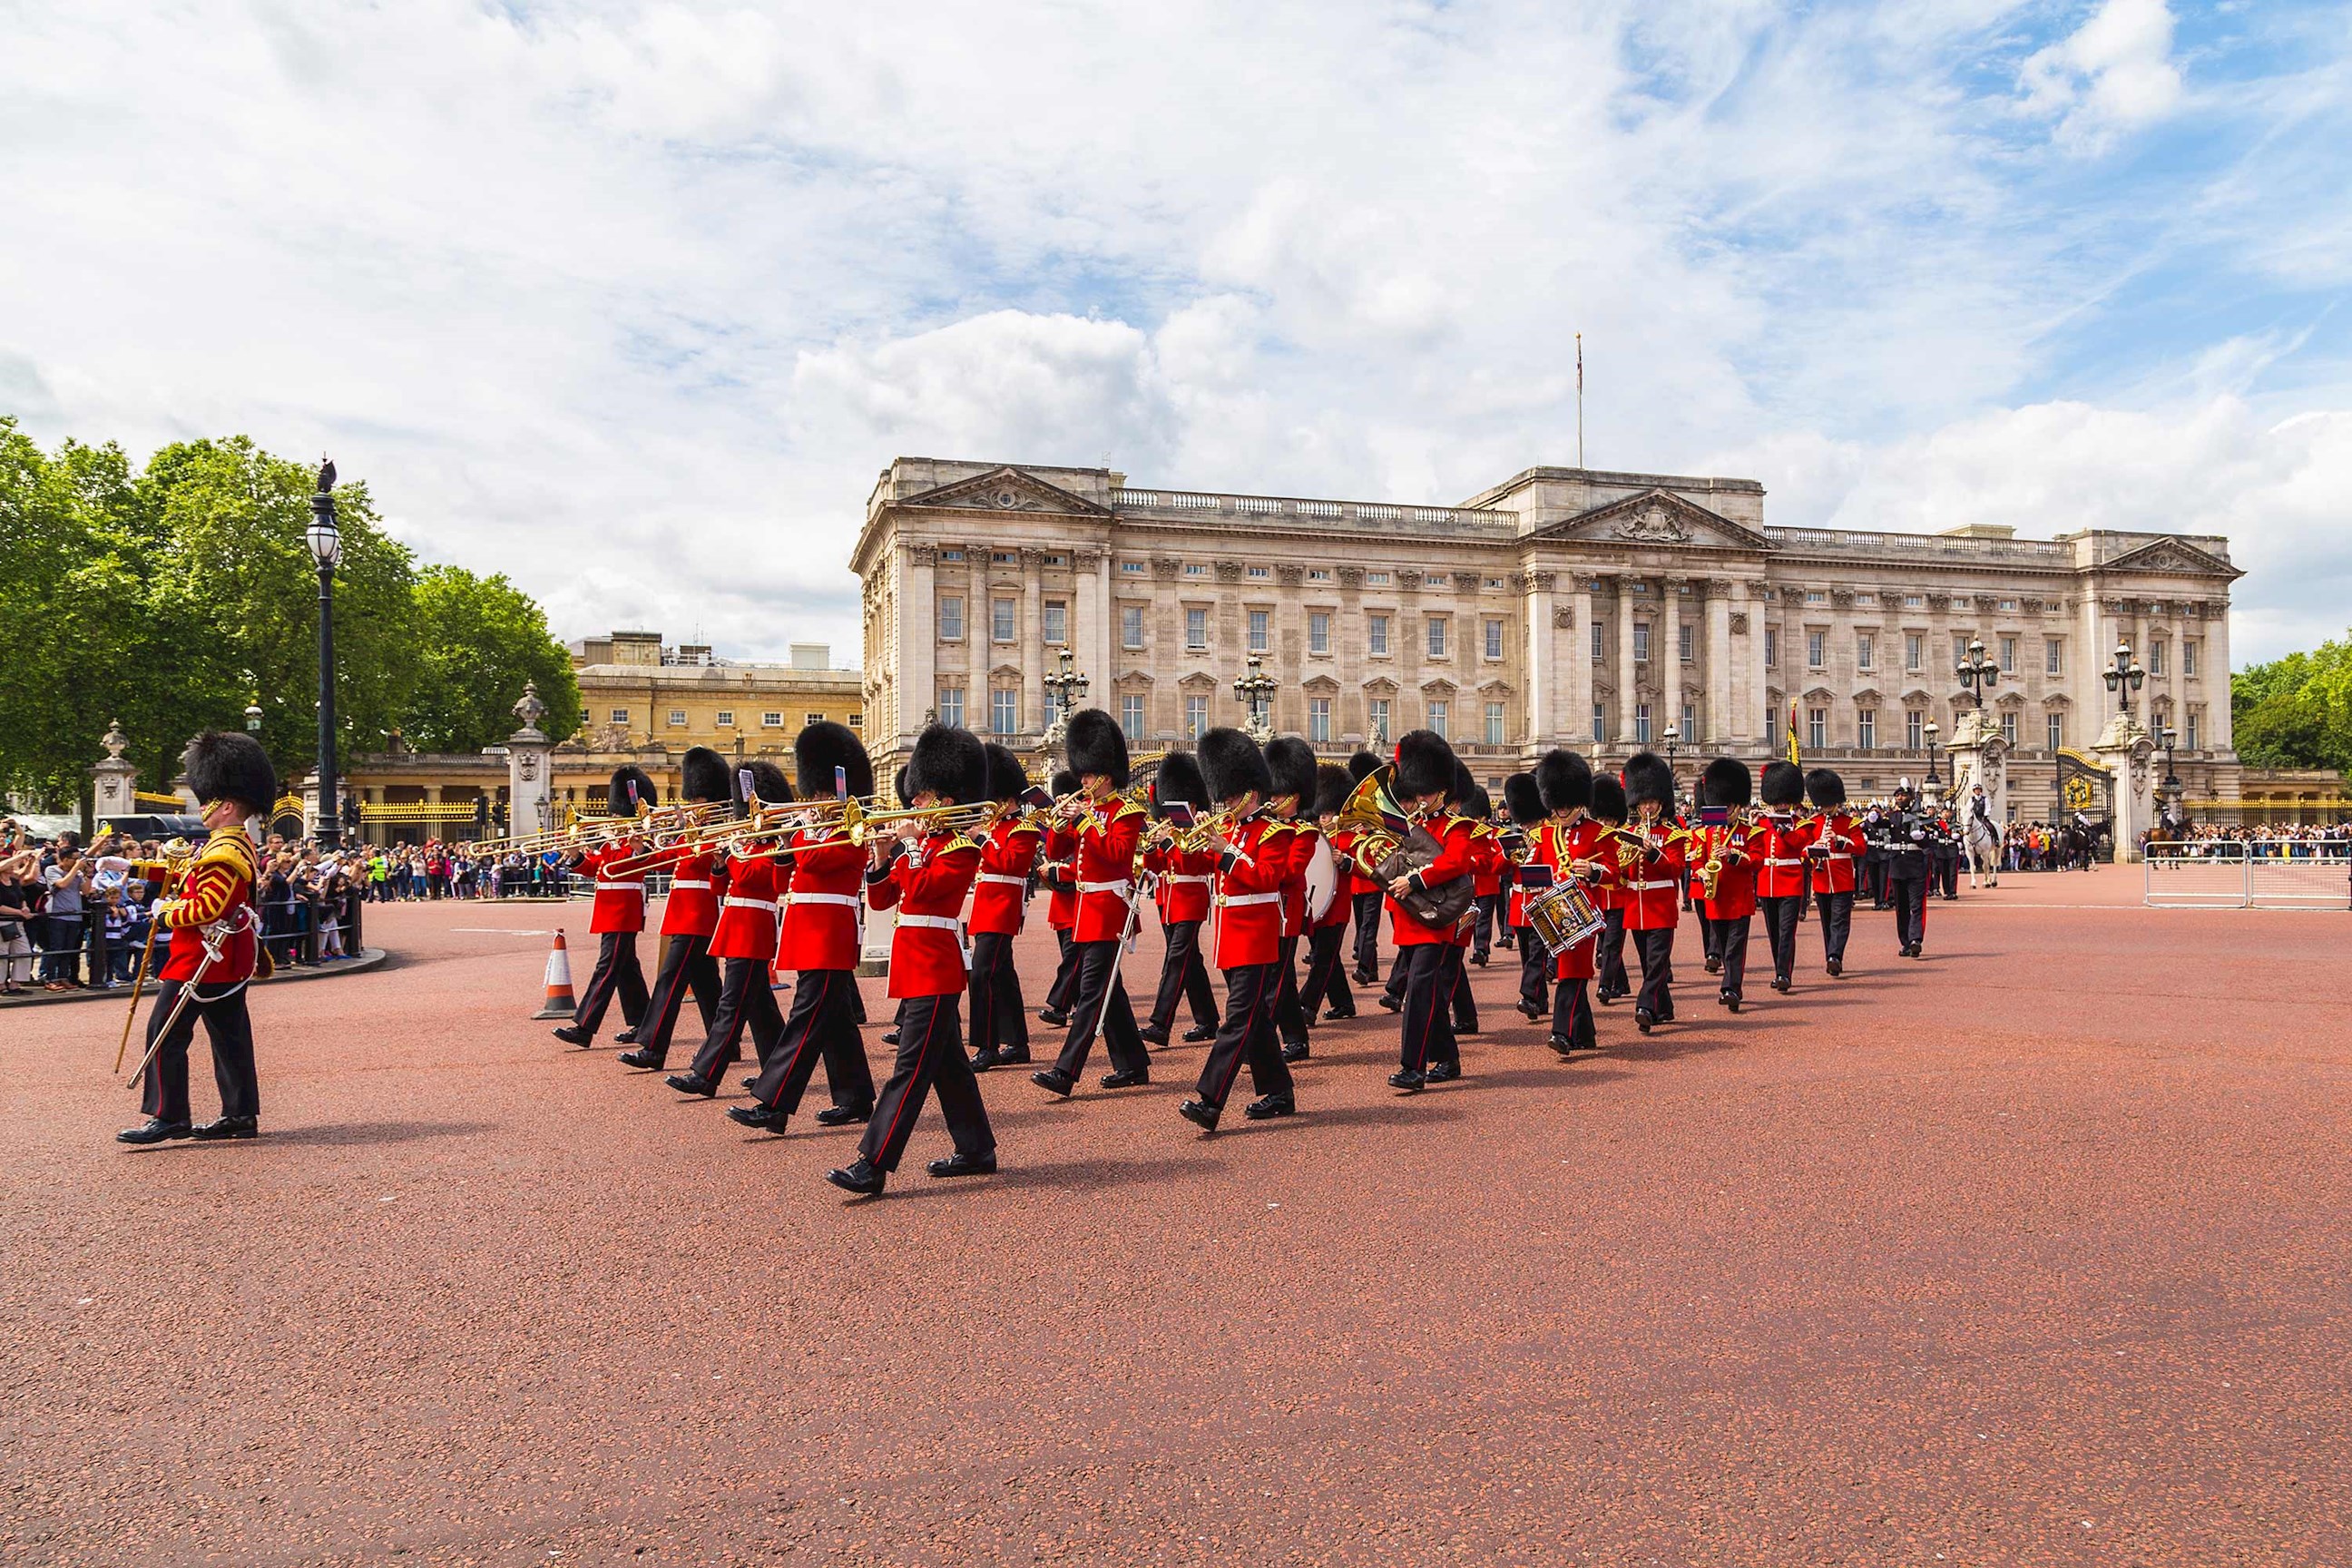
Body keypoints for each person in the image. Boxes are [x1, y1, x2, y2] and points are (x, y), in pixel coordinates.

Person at [825, 723, 996, 1196]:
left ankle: (873, 1162)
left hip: (935, 967)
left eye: (920, 798)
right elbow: (883, 902)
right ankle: (977, 1148)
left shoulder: (961, 849)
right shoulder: (923, 849)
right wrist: (882, 857)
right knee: (947, 1066)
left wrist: (911, 848)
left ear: (944, 800)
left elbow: (924, 892)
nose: (913, 806)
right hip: (916, 963)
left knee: (909, 1068)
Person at [117, 731, 276, 1145]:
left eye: (208, 802)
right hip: (226, 958)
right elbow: (186, 873)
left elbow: (208, 906)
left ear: (225, 805)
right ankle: (239, 1114)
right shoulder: (228, 844)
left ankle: (169, 1115)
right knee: (230, 1037)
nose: (202, 808)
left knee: (164, 1035)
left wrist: (165, 911)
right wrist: (135, 869)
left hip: (202, 960)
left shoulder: (223, 852)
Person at [730, 722, 883, 1130]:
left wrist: (798, 831)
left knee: (805, 1019)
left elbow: (815, 862)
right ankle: (854, 1098)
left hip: (830, 934)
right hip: (806, 933)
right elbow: (785, 882)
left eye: (818, 794)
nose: (813, 801)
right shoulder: (814, 831)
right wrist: (783, 842)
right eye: (813, 793)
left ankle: (773, 1103)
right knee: (834, 1021)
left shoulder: (851, 831)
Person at [1177, 728, 1297, 1132]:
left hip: (1257, 936)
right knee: (1256, 1021)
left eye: (1230, 794)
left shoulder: (1276, 832)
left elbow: (1266, 877)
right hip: (1229, 937)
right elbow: (1200, 868)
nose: (1225, 801)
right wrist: (1179, 844)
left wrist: (1225, 852)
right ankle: (1279, 1091)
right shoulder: (1230, 830)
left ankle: (1209, 1100)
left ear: (1251, 792)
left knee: (1237, 1020)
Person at [1031, 710, 1152, 1098]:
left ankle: (1066, 1071)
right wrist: (1061, 825)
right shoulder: (1087, 810)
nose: (1081, 780)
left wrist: (1084, 822)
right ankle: (1132, 1063)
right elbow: (1057, 851)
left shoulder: (1127, 812)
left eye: (1087, 774)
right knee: (1106, 990)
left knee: (1090, 993)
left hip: (1110, 911)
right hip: (1086, 910)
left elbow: (1118, 855)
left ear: (1106, 774)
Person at [668, 760, 793, 1093]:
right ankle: (776, 1071)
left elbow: (754, 878)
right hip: (736, 926)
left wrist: (733, 857)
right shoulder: (749, 844)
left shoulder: (774, 844)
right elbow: (719, 888)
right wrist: (721, 863)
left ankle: (705, 1074)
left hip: (753, 928)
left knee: (731, 1006)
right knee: (761, 1007)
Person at [615, 747, 731, 1071]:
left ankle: (653, 1048)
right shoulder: (693, 829)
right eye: (693, 800)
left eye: (699, 800)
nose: (695, 806)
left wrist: (681, 832)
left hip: (698, 914)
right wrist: (642, 849)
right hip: (683, 912)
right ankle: (728, 1045)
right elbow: (670, 862)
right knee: (707, 985)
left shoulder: (720, 829)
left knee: (669, 980)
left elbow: (699, 859)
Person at [1382, 730, 1475, 1092]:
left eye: (1427, 790)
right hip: (1410, 916)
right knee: (1431, 993)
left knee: (1419, 991)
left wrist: (1417, 881)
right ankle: (1448, 1058)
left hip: (1437, 918)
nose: (1421, 797)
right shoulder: (1410, 826)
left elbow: (1455, 862)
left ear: (1442, 789)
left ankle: (1412, 1067)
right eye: (1417, 791)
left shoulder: (1457, 826)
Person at [553, 765, 657, 1048]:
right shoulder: (613, 843)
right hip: (609, 910)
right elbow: (597, 869)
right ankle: (644, 1023)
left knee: (607, 968)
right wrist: (575, 857)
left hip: (624, 911)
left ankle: (584, 1027)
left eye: (615, 815)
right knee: (626, 970)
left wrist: (624, 843)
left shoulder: (638, 842)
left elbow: (624, 866)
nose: (610, 819)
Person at [965, 744, 1045, 1070]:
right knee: (1002, 976)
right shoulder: (993, 828)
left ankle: (987, 1046)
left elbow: (1011, 864)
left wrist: (983, 840)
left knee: (981, 974)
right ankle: (1017, 1043)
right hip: (985, 909)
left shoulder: (1023, 829)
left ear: (1008, 799)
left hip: (1002, 910)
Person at [1136, 750, 1220, 1050]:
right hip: (1167, 901)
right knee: (1190, 962)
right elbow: (1154, 868)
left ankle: (1161, 1023)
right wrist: (1150, 846)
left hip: (1190, 900)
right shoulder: (1170, 829)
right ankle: (1208, 1020)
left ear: (1193, 802)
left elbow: (1190, 865)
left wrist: (1170, 842)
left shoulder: (1202, 830)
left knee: (1175, 960)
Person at [1530, 749, 1606, 1054]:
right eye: (1557, 805)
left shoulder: (1598, 833)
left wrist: (1594, 870)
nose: (1561, 811)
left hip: (1583, 913)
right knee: (1571, 970)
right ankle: (1585, 1034)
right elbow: (1533, 872)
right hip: (1554, 912)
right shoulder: (1545, 836)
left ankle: (1561, 1032)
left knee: (1571, 973)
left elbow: (1616, 871)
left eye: (1567, 805)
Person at [1618, 751, 1688, 1035]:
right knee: (1649, 964)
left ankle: (1645, 1007)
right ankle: (1665, 1007)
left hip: (1660, 905)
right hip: (1636, 905)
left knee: (1657, 962)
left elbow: (1676, 869)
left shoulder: (1673, 834)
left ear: (1661, 802)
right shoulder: (1628, 832)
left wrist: (1653, 853)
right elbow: (1621, 871)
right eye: (1643, 801)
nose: (1647, 807)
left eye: (1652, 801)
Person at [1689, 759, 1763, 1014]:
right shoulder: (1704, 832)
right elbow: (1696, 860)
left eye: (1729, 805)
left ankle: (1731, 988)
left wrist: (1733, 855)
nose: (1725, 809)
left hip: (1739, 898)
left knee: (1734, 948)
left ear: (1737, 805)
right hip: (1715, 897)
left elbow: (1757, 861)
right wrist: (1701, 871)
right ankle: (1732, 985)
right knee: (1721, 944)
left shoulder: (1751, 832)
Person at [1264, 736, 1319, 1063]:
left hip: (1287, 911)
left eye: (1279, 794)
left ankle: (1261, 1040)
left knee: (1277, 978)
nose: (1273, 799)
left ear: (1294, 797)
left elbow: (1290, 870)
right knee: (1279, 980)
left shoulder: (1304, 833)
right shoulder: (1266, 827)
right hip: (1264, 910)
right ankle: (1297, 1040)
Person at [1297, 762, 1359, 1028]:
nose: (1324, 818)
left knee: (1323, 959)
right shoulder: (1315, 838)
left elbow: (1367, 869)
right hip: (1316, 903)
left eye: (1329, 813)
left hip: (1338, 907)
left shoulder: (1350, 839)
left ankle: (1307, 1004)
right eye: (1321, 814)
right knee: (1327, 956)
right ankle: (1343, 1003)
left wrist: (1345, 862)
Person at [1751, 760, 1818, 995]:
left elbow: (1800, 844)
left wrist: (1782, 829)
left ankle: (1783, 974)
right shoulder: (1760, 823)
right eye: (1776, 799)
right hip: (1767, 882)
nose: (1780, 803)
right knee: (1774, 932)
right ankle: (1779, 969)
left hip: (1790, 881)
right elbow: (1755, 851)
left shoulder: (1801, 824)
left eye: (1783, 799)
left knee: (1787, 930)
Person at [1805, 768, 1865, 975]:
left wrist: (1839, 841)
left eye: (1829, 803)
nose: (1826, 807)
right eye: (1823, 804)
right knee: (1827, 922)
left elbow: (1860, 848)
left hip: (1843, 879)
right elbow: (1804, 851)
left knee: (1840, 920)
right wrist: (1814, 847)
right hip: (1821, 879)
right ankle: (1830, 955)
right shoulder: (1813, 823)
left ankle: (1835, 956)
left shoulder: (1850, 823)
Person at [1034, 768, 1083, 1029]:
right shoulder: (1070, 821)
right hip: (1064, 899)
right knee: (1074, 956)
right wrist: (1058, 825)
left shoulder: (1089, 818)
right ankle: (1079, 1005)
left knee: (1074, 957)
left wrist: (1059, 870)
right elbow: (1054, 850)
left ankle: (1060, 1006)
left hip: (1083, 898)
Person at [1500, 772, 1549, 1022]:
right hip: (1520, 905)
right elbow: (1497, 868)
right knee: (1526, 955)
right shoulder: (1518, 837)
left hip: (1541, 904)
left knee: (1536, 956)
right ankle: (1539, 1002)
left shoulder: (1549, 834)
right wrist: (1507, 856)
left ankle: (1529, 995)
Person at [1588, 775, 1633, 1004]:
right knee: (1608, 944)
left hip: (1618, 898)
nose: (1605, 824)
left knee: (1611, 945)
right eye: (1601, 819)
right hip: (1598, 899)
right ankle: (1622, 983)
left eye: (1609, 820)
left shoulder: (1624, 840)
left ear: (1616, 820)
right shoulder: (1595, 838)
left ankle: (1605, 985)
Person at [1878, 778, 1932, 958]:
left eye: (1903, 795)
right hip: (1897, 865)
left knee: (1916, 906)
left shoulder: (1920, 816)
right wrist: (1873, 819)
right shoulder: (1892, 816)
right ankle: (1906, 943)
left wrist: (1921, 838)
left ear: (1910, 797)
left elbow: (1930, 844)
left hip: (1915, 864)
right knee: (1901, 908)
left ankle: (1916, 939)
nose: (1900, 798)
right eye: (1898, 796)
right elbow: (1880, 827)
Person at [1344, 750, 1385, 985]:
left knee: (1368, 928)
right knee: (1362, 926)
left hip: (1374, 881)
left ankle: (1363, 968)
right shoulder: (1355, 806)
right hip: (1357, 882)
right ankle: (1373, 969)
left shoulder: (1377, 806)